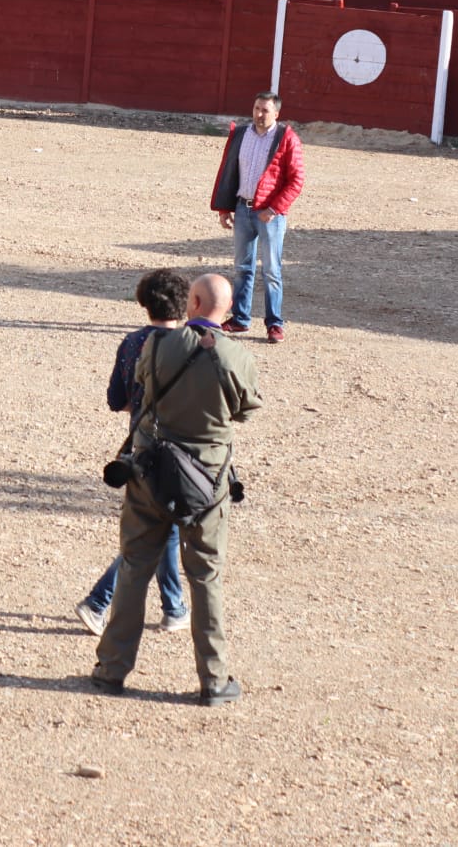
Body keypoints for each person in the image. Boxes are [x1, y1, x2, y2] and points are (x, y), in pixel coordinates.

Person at [90, 272, 262, 706]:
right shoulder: (237, 357)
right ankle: (214, 680)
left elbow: (142, 389)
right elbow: (244, 412)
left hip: (151, 470)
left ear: (196, 303)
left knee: (134, 567)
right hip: (208, 479)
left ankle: (111, 669)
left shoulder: (159, 346)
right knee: (205, 576)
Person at [76, 268, 194, 639]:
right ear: (187, 304)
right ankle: (98, 601)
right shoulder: (191, 348)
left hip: (139, 448)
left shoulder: (131, 343)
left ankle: (174, 607)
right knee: (154, 532)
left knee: (162, 529)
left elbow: (117, 400)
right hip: (179, 452)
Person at [212, 92, 306, 343]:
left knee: (272, 271)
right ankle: (240, 319)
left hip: (270, 215)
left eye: (265, 110)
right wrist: (225, 208)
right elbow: (230, 172)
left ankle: (274, 323)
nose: (259, 114)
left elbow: (296, 180)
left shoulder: (286, 138)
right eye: (256, 108)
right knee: (242, 268)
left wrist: (274, 209)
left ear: (276, 113)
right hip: (243, 208)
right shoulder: (241, 134)